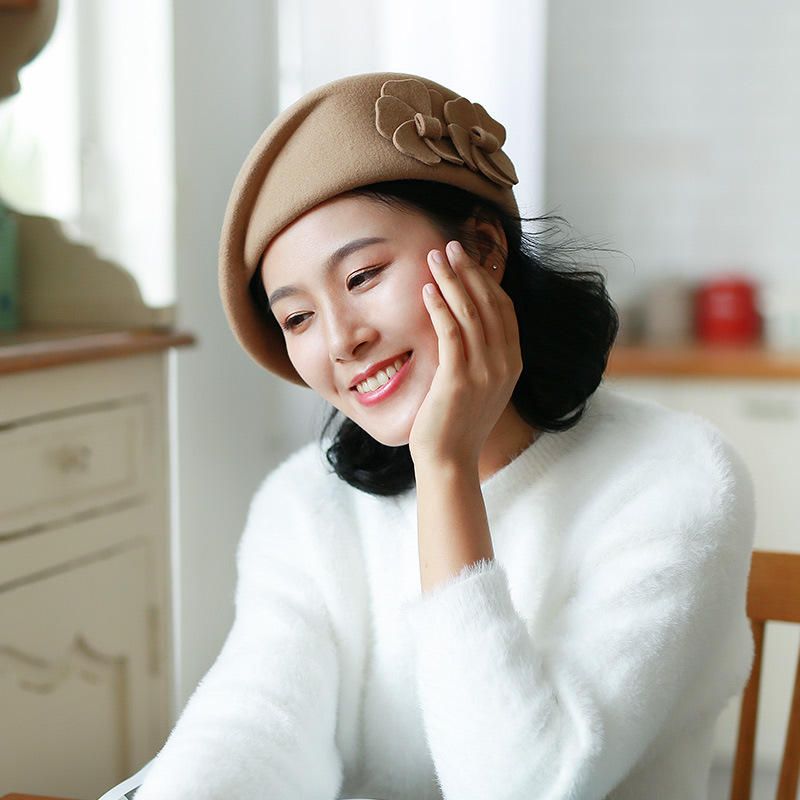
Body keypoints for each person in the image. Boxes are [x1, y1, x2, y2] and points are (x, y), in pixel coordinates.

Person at [132, 72, 755, 800]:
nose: (341, 340)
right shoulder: (306, 503)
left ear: (485, 253)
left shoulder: (676, 477)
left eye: (362, 274)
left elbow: (523, 787)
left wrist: (446, 470)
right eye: (297, 317)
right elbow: (249, 728)